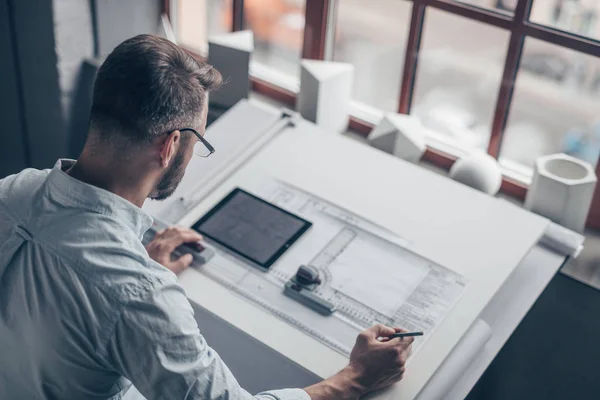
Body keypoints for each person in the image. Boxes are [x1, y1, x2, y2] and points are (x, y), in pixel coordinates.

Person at [0, 34, 413, 400]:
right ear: (170, 145)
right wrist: (356, 377)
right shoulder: (138, 295)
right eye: (199, 138)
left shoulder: (12, 189)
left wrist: (137, 264)